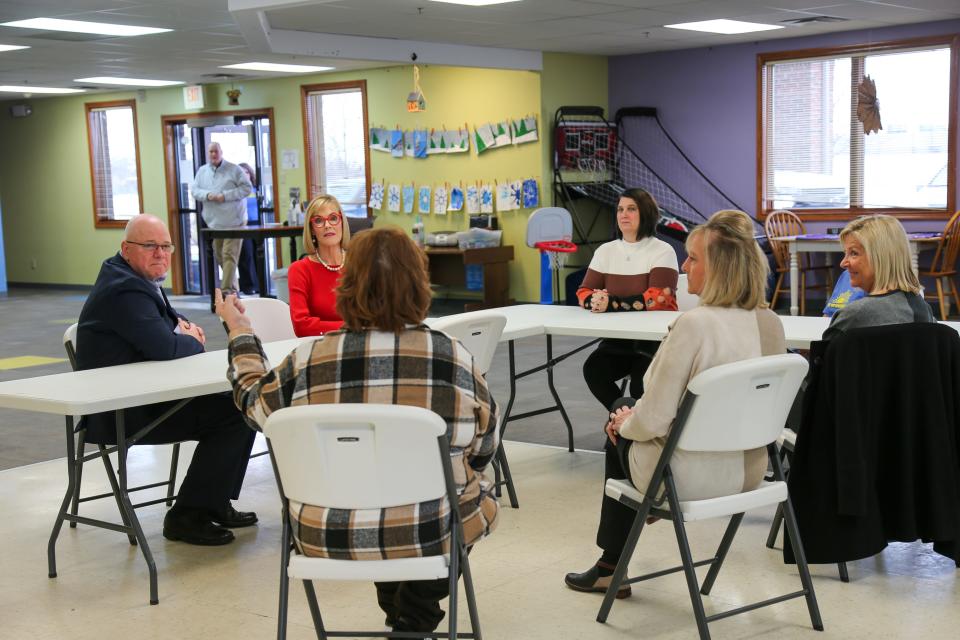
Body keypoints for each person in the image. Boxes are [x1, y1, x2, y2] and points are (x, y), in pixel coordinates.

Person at [219, 226, 499, 634]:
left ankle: (402, 610)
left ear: (346, 287)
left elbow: (252, 405)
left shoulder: (308, 359)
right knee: (468, 493)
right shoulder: (452, 357)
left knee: (374, 493)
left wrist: (241, 333)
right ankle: (414, 613)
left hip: (328, 531)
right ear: (420, 284)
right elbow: (483, 447)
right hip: (429, 528)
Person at [565, 210, 784, 598]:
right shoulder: (770, 323)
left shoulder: (693, 325)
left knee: (620, 428)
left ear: (719, 267)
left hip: (684, 477)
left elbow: (652, 422)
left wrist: (621, 422)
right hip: (750, 470)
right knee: (632, 416)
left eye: (694, 258)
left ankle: (609, 565)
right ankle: (625, 537)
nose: (684, 266)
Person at [76, 214, 257, 546]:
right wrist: (194, 340)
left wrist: (181, 333)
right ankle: (187, 516)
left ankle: (213, 501)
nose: (160, 254)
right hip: (123, 411)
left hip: (146, 394)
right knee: (236, 409)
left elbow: (173, 323)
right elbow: (165, 344)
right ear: (126, 249)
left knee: (239, 401)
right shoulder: (124, 289)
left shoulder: (133, 277)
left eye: (166, 246)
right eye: (150, 246)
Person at [577, 188, 679, 409]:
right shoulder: (606, 251)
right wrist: (594, 300)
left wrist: (611, 303)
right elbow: (584, 290)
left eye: (631, 209)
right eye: (620, 209)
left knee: (639, 386)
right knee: (594, 371)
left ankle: (631, 431)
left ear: (646, 213)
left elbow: (659, 299)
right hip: (618, 341)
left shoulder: (663, 250)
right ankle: (623, 425)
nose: (624, 214)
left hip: (654, 342)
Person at [822, 214, 934, 340]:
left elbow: (826, 357)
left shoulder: (852, 316)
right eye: (845, 253)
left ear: (880, 258)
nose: (843, 263)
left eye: (854, 253)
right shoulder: (925, 312)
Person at [190, 142, 252, 294]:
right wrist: (208, 195)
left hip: (235, 222)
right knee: (219, 256)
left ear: (221, 152)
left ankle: (226, 291)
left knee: (228, 255)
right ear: (208, 153)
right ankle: (233, 289)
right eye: (211, 151)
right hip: (215, 223)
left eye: (216, 151)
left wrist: (225, 196)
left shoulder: (234, 169)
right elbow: (194, 190)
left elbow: (247, 188)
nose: (213, 154)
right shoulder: (202, 171)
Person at [286, 194, 350, 336]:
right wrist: (352, 327)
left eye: (333, 218)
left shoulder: (360, 264)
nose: (327, 225)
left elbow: (375, 317)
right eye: (319, 221)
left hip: (359, 346)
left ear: (342, 222)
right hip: (318, 349)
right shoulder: (299, 270)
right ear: (312, 230)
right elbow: (302, 326)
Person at [236, 162, 261, 295]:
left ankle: (260, 284)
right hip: (243, 225)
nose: (244, 175)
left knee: (258, 254)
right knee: (246, 255)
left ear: (250, 174)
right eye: (241, 172)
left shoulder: (257, 189)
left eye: (246, 172)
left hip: (258, 223)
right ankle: (248, 285)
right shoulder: (238, 190)